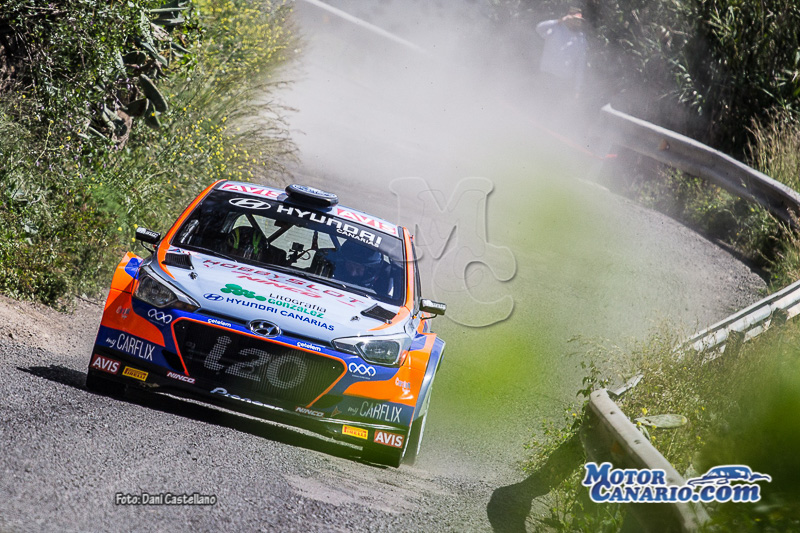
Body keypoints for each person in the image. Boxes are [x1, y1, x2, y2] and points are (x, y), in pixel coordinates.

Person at [535, 7, 587, 102]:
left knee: (558, 107)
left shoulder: (581, 38)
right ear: (567, 18)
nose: (576, 22)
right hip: (547, 75)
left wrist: (577, 88)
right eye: (574, 19)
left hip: (565, 81)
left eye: (579, 20)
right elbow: (539, 28)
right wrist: (558, 21)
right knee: (542, 103)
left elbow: (581, 64)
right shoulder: (556, 27)